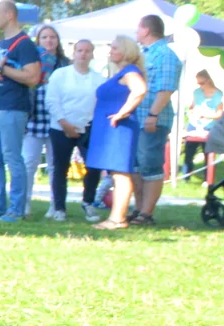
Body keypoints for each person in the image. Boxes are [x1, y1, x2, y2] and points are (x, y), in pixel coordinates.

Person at [0, 0, 44, 222]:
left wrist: (3, 69)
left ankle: (17, 208)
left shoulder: (24, 44)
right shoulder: (0, 45)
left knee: (12, 157)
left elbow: (33, 77)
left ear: (9, 15)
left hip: (12, 107)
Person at [115, 13, 179, 227]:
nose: (136, 33)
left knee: (150, 165)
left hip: (152, 119)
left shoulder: (165, 55)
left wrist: (153, 114)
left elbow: (166, 88)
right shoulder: (143, 55)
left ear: (146, 30)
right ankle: (138, 208)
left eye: (138, 29)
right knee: (136, 165)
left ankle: (147, 212)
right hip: (136, 119)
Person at [86, 34, 144, 225]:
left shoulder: (130, 71)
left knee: (120, 173)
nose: (111, 51)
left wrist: (122, 113)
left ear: (127, 51)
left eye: (115, 47)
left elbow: (140, 90)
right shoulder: (121, 72)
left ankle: (117, 218)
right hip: (111, 129)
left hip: (119, 128)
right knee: (116, 173)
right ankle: (116, 217)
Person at [43, 34, 101, 222]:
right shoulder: (61, 74)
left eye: (87, 51)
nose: (83, 54)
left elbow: (99, 104)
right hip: (60, 127)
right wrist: (65, 124)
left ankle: (88, 202)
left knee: (93, 166)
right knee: (60, 168)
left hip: (88, 129)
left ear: (93, 54)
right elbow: (52, 101)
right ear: (73, 53)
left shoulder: (98, 79)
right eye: (80, 50)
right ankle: (59, 207)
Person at [17, 22, 63, 217]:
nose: (49, 40)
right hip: (34, 116)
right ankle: (24, 203)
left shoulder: (64, 62)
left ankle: (55, 205)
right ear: (38, 40)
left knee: (55, 165)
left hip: (57, 118)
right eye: (44, 37)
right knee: (29, 161)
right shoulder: (31, 61)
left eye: (52, 37)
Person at [181, 67, 224, 177]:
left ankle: (208, 178)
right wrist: (191, 113)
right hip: (194, 124)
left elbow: (219, 114)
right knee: (189, 151)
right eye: (198, 83)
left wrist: (204, 115)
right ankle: (186, 175)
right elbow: (191, 107)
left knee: (208, 152)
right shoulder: (196, 92)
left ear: (208, 81)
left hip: (209, 126)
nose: (200, 86)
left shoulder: (219, 95)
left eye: (201, 83)